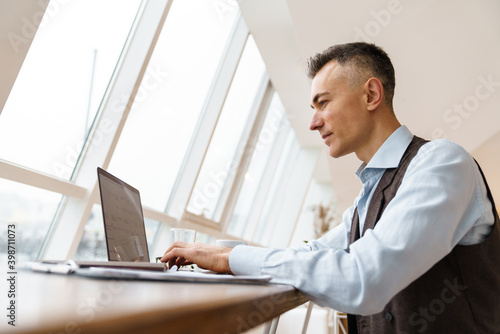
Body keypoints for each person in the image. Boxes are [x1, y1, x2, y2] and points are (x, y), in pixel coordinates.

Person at [162, 42, 500, 333]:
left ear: (371, 94)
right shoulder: (365, 201)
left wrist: (229, 258)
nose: (313, 122)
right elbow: (312, 255)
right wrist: (219, 254)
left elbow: (362, 278)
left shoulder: (442, 163)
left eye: (323, 103)